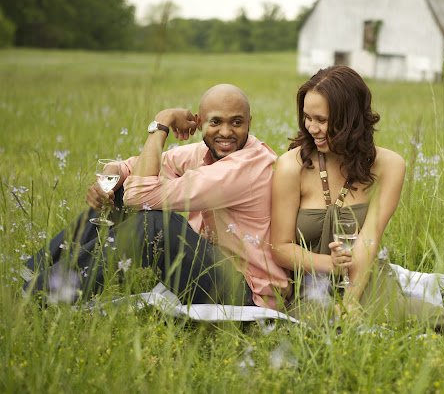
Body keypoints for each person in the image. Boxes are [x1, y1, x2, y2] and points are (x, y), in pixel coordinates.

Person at [23, 84, 290, 310]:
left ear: (249, 123)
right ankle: (33, 273)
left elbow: (139, 196)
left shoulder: (243, 169)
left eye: (236, 122)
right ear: (199, 123)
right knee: (119, 191)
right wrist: (107, 182)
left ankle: (42, 295)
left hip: (246, 294)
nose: (226, 132)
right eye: (215, 122)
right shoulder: (205, 152)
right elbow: (130, 168)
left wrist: (162, 122)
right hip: (212, 268)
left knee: (155, 225)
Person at [270, 66, 444, 333]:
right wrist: (331, 265)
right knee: (318, 323)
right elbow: (279, 247)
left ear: (350, 120)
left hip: (363, 273)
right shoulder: (291, 166)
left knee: (394, 313)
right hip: (311, 281)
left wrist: (351, 301)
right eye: (307, 117)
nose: (312, 128)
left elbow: (369, 238)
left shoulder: (389, 165)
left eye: (322, 120)